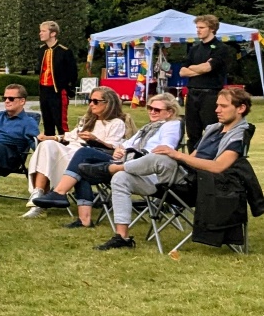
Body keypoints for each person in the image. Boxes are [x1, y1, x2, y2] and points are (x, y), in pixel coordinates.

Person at [98, 88, 251, 250]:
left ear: (240, 108)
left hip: (205, 186)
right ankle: (122, 237)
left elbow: (218, 167)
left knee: (160, 157)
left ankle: (113, 168)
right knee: (121, 178)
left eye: (223, 106)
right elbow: (193, 157)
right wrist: (180, 159)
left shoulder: (239, 135)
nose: (217, 110)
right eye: (217, 105)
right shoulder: (214, 129)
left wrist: (177, 155)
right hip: (183, 179)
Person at [50, 92, 182, 229]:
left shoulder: (171, 125)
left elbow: (166, 149)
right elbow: (125, 145)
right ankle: (84, 219)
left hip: (142, 168)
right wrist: (120, 149)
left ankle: (59, 193)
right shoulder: (148, 128)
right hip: (125, 160)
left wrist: (137, 154)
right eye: (150, 108)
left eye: (157, 110)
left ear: (169, 112)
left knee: (84, 153)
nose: (152, 112)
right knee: (83, 166)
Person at [23, 86, 132, 217]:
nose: (91, 104)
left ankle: (41, 201)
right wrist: (50, 137)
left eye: (95, 101)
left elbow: (113, 147)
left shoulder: (115, 123)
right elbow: (70, 136)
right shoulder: (88, 120)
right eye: (90, 100)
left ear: (108, 103)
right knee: (46, 145)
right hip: (72, 149)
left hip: (89, 156)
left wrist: (95, 139)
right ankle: (39, 192)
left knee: (51, 155)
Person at [181, 14, 230, 150]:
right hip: (192, 93)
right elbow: (182, 71)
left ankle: (210, 162)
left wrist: (196, 68)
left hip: (210, 94)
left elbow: (208, 67)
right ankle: (192, 164)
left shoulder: (221, 48)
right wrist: (200, 68)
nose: (198, 30)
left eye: (202, 27)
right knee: (192, 132)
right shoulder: (194, 49)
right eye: (197, 27)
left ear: (212, 28)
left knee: (211, 130)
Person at [37, 20, 77, 136]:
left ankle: (65, 148)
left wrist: (66, 88)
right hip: (44, 90)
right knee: (47, 122)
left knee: (61, 123)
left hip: (58, 91)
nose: (40, 33)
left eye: (43, 31)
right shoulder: (41, 50)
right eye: (41, 31)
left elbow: (72, 73)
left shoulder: (64, 51)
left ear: (53, 33)